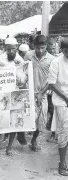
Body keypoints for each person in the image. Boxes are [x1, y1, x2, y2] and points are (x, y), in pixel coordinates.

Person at [0, 38, 28, 156]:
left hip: (15, 94)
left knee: (14, 120)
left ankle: (9, 147)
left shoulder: (19, 59)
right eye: (8, 49)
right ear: (5, 48)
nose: (11, 51)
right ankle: (0, 141)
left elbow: (23, 77)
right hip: (2, 94)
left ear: (16, 48)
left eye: (13, 48)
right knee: (1, 118)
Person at [24, 35, 55, 151]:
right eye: (38, 48)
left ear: (46, 46)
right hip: (27, 93)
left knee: (41, 121)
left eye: (43, 48)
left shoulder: (52, 60)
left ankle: (33, 141)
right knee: (24, 117)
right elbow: (23, 72)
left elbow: (51, 80)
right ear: (34, 46)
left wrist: (41, 93)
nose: (40, 50)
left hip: (42, 95)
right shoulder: (28, 55)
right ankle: (21, 136)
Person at [47, 38, 68, 176]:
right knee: (64, 130)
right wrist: (66, 98)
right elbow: (52, 84)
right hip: (61, 99)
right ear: (63, 50)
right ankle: (62, 162)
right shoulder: (56, 62)